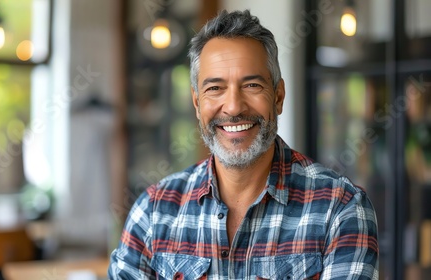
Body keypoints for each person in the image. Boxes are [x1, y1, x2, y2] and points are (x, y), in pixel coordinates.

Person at [108, 9, 378, 279]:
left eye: (251, 85)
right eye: (215, 88)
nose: (234, 106)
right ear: (196, 103)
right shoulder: (153, 212)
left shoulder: (340, 208)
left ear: (279, 96)